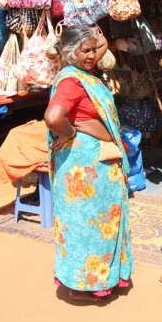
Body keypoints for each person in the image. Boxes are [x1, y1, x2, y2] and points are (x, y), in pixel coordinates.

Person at [44, 24, 133, 302]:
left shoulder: (84, 73)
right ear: (70, 53)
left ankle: (98, 279)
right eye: (86, 50)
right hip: (85, 169)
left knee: (98, 222)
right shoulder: (72, 81)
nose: (92, 55)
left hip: (93, 166)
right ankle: (82, 284)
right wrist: (72, 130)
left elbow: (100, 45)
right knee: (86, 224)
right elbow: (53, 117)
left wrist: (95, 36)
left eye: (94, 49)